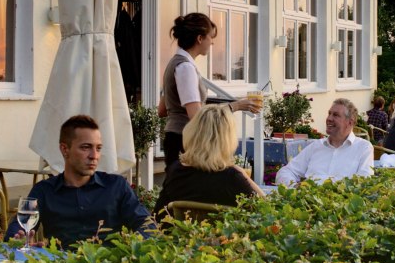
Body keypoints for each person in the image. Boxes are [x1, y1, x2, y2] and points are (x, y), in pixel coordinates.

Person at [8, 115, 155, 246]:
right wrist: (19, 239)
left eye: (98, 148)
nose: (94, 155)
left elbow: (147, 226)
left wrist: (133, 248)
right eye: (86, 147)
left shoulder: (116, 186)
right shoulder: (44, 191)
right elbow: (19, 227)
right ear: (65, 149)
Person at [159, 13, 258, 177]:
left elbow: (162, 110)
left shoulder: (174, 63)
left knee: (177, 190)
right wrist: (236, 106)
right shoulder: (186, 68)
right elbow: (197, 117)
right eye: (210, 37)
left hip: (174, 137)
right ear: (199, 38)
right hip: (185, 141)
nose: (212, 43)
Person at [154, 105, 261, 215]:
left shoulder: (176, 172)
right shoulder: (232, 178)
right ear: (228, 140)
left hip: (181, 232)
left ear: (192, 133)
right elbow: (267, 211)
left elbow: (157, 215)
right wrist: (242, 173)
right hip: (223, 232)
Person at [273, 99, 374, 187]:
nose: (329, 118)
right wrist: (294, 187)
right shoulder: (316, 146)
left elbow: (364, 183)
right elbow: (286, 172)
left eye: (336, 115)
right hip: (308, 204)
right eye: (329, 113)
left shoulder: (363, 148)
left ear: (350, 122)